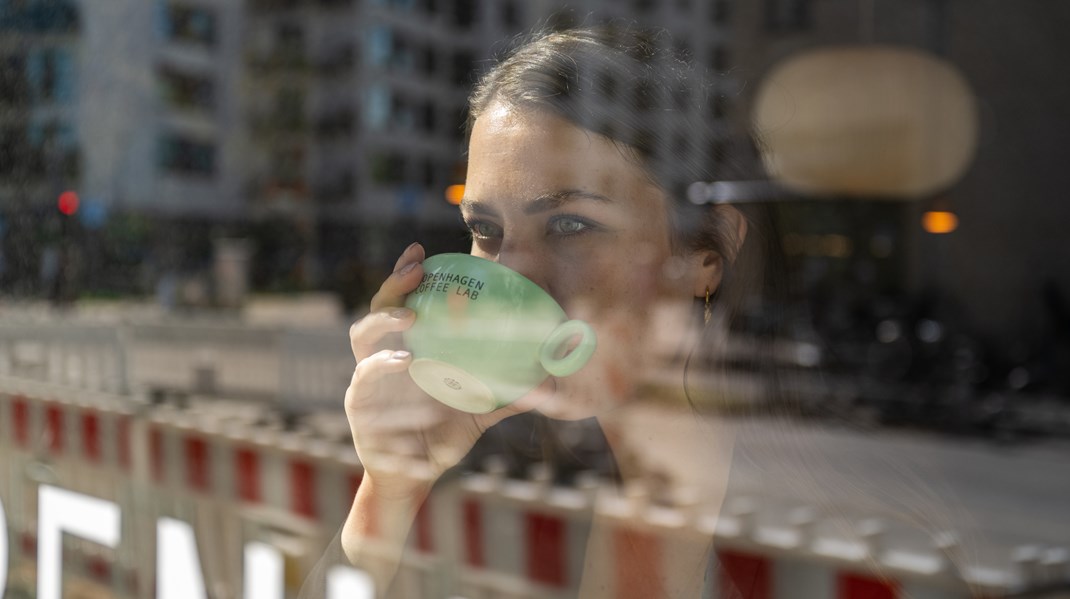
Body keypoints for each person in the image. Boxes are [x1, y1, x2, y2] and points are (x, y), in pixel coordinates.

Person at [301, 23, 777, 598]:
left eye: (570, 225)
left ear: (707, 253)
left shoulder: (801, 505)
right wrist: (390, 491)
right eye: (486, 229)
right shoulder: (492, 469)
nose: (511, 274)